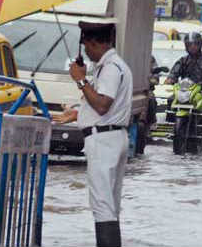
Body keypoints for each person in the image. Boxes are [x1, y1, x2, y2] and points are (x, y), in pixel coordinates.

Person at [53, 22, 132, 247]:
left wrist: (80, 80)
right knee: (110, 205)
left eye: (86, 46)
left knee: (102, 205)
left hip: (104, 141)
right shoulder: (112, 66)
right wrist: (78, 114)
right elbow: (104, 108)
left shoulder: (111, 68)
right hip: (111, 136)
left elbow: (102, 105)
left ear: (95, 43)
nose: (85, 51)